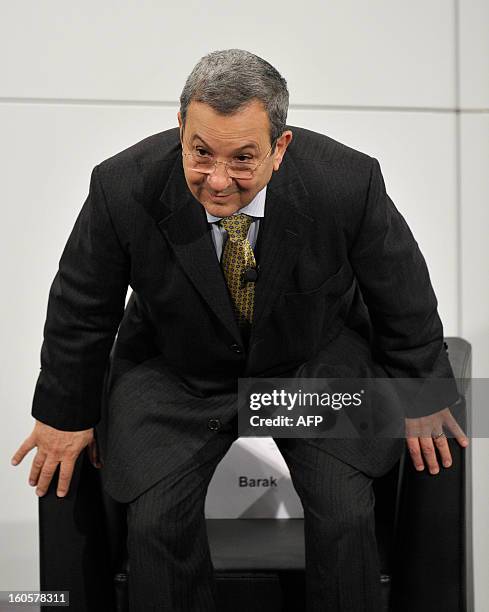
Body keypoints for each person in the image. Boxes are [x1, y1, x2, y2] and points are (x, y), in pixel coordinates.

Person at [11, 49, 468, 611]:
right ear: (180, 128)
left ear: (280, 147)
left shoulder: (345, 181)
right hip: (177, 370)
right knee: (155, 520)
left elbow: (401, 289)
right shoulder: (121, 186)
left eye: (243, 159)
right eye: (200, 152)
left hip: (307, 368)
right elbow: (82, 305)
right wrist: (63, 414)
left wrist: (422, 388)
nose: (218, 180)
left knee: (343, 512)